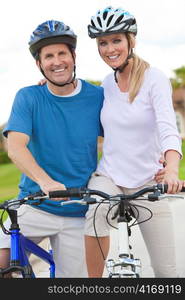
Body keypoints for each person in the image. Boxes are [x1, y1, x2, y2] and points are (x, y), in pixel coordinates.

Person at [84, 6, 184, 278]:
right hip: (111, 177)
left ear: (131, 41)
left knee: (167, 274)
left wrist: (172, 169)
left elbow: (168, 129)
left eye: (116, 40)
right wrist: (50, 88)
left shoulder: (154, 79)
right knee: (95, 214)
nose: (109, 49)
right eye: (102, 43)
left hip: (147, 180)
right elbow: (78, 106)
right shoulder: (105, 84)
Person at [0, 20, 104, 277]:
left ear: (73, 56)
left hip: (79, 210)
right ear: (39, 64)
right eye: (48, 56)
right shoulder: (29, 97)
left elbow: (126, 131)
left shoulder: (98, 97)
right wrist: (46, 182)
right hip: (34, 205)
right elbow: (15, 147)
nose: (56, 61)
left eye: (62, 53)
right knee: (3, 261)